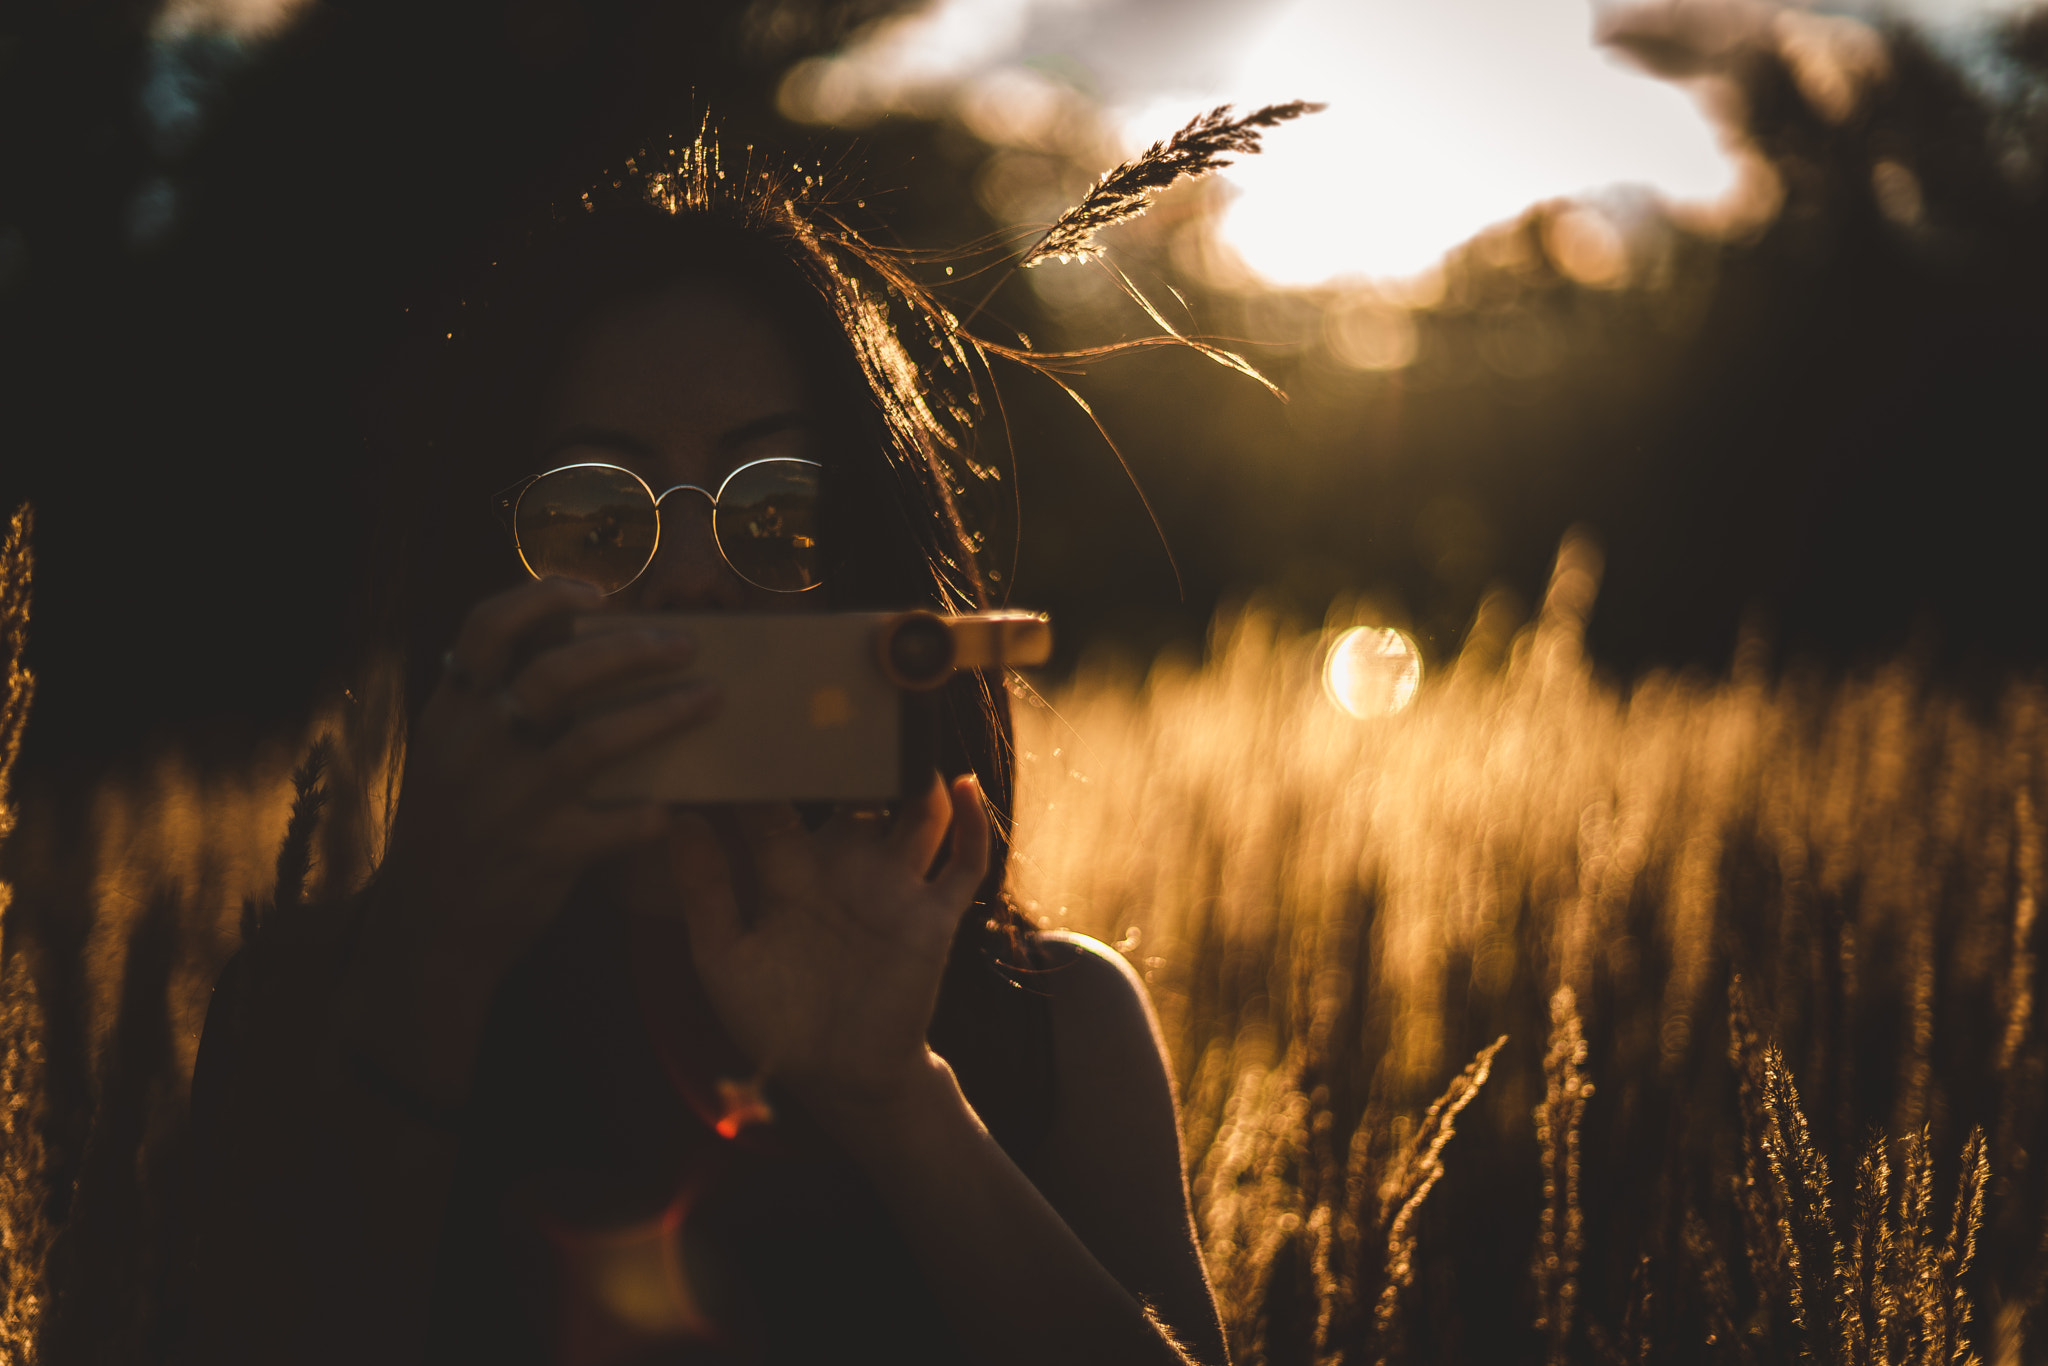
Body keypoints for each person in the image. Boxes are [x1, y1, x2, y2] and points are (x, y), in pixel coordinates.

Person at [186, 142, 1230, 1366]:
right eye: (597, 515)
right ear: (488, 579)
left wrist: (900, 1103)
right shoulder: (303, 1005)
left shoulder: (1063, 1023)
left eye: (778, 504)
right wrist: (433, 970)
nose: (689, 575)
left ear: (872, 559)